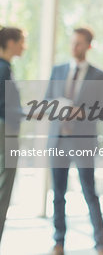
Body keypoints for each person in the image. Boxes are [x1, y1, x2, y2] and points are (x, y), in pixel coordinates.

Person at [45, 28, 103, 255]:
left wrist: (81, 113)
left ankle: (100, 244)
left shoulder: (101, 76)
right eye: (72, 42)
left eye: (79, 43)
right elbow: (47, 101)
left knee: (89, 193)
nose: (74, 47)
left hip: (83, 142)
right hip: (58, 141)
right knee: (58, 195)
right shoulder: (58, 70)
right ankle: (59, 242)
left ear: (89, 46)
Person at [0, 26, 25, 244]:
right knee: (3, 191)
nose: (23, 46)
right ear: (10, 43)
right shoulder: (3, 69)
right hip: (5, 133)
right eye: (21, 41)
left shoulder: (6, 68)